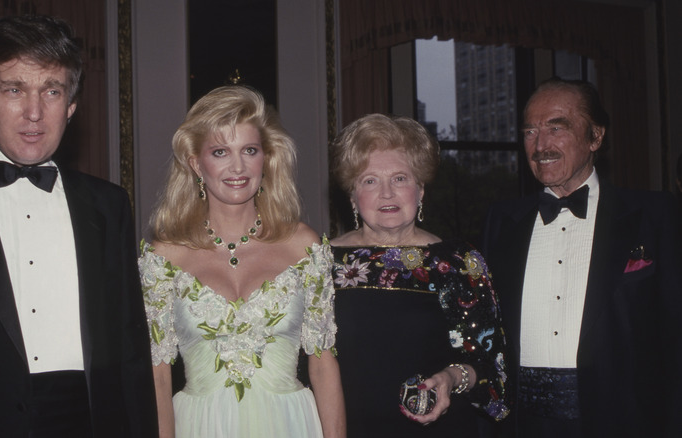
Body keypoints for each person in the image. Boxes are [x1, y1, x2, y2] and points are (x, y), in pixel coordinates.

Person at [0, 15, 157, 436]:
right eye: (14, 89)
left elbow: (130, 353)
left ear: (71, 106)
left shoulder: (108, 205)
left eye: (51, 91)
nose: (34, 112)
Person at [140, 85, 345, 438]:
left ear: (266, 157)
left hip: (291, 424)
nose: (238, 166)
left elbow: (323, 365)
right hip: (200, 427)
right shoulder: (164, 256)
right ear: (195, 163)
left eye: (249, 150)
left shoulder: (304, 246)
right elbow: (157, 375)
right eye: (220, 152)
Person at [482, 77, 682, 437]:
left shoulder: (656, 215)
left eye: (556, 128)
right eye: (530, 131)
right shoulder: (501, 221)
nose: (541, 145)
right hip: (521, 424)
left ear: (595, 137)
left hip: (622, 420)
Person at [329, 114, 509, 437]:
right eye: (369, 180)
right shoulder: (321, 264)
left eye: (400, 178)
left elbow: (493, 371)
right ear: (353, 196)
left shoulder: (458, 263)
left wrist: (453, 377)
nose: (387, 193)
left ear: (421, 190)